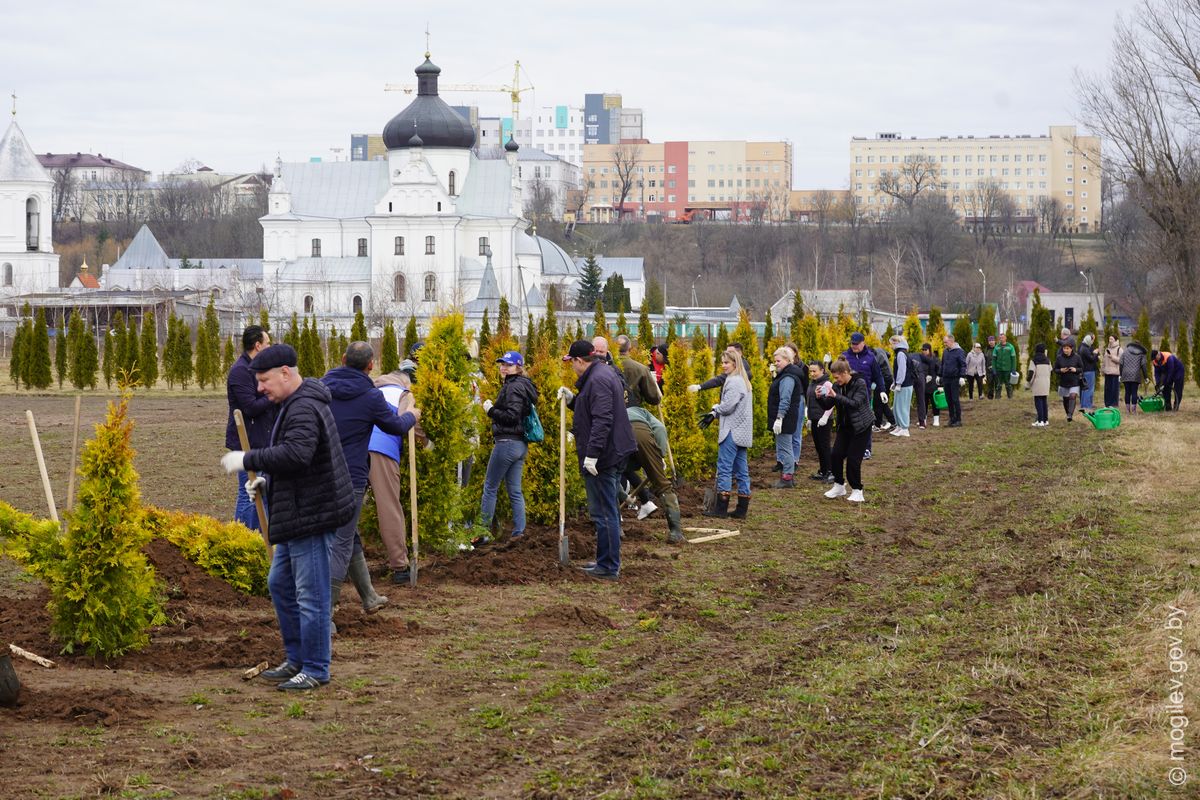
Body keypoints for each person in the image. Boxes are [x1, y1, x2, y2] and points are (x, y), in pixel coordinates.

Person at [220, 344, 356, 692]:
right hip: (299, 507)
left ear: (285, 373)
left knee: (311, 595)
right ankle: (297, 659)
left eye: (264, 380)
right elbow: (302, 458)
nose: (260, 389)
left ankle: (315, 668)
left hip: (313, 513)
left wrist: (248, 460)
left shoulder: (304, 407)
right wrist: (268, 481)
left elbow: (297, 454)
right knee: (280, 584)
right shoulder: (292, 403)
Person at [322, 342, 419, 627]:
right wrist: (413, 414)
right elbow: (396, 427)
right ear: (370, 365)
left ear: (341, 358)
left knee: (348, 535)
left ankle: (370, 597)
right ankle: (325, 612)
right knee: (341, 541)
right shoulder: (370, 397)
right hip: (350, 476)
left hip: (320, 473)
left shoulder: (320, 388)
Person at [558, 341, 637, 580]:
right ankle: (604, 561)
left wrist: (592, 454)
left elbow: (603, 419)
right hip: (609, 452)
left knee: (604, 512)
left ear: (580, 361)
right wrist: (573, 401)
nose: (571, 367)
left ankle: (609, 566)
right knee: (605, 510)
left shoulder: (598, 380)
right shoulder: (600, 374)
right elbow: (591, 410)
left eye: (571, 362)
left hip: (605, 455)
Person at [368, 360, 424, 584]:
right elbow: (408, 422)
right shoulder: (403, 393)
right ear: (406, 380)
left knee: (347, 506)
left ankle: (337, 565)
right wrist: (427, 443)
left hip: (353, 449)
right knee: (389, 507)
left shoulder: (371, 387)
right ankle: (400, 567)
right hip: (382, 449)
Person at [479, 350, 538, 538]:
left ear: (518, 367)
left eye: (508, 364)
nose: (503, 367)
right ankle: (519, 532)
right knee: (514, 490)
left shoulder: (513, 387)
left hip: (507, 443)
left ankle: (483, 532)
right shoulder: (522, 385)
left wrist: (490, 410)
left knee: (490, 487)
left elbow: (512, 416)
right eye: (502, 364)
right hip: (519, 444)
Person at [225, 325, 275, 531]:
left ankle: (260, 538)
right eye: (267, 344)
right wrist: (272, 394)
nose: (270, 347)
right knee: (248, 494)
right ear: (257, 345)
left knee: (261, 493)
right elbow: (251, 407)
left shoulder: (258, 369)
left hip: (262, 440)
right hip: (247, 442)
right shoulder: (240, 372)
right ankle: (242, 538)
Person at [704, 348, 754, 518]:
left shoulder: (734, 381)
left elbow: (728, 406)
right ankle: (741, 510)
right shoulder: (744, 380)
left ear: (734, 363)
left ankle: (721, 510)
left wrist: (714, 409)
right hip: (742, 431)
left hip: (732, 431)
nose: (723, 365)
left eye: (726, 362)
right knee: (741, 470)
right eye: (722, 362)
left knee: (724, 468)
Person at [625, 404, 685, 543]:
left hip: (619, 435)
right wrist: (660, 455)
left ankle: (615, 530)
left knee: (612, 478)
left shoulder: (613, 408)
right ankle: (675, 533)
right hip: (642, 435)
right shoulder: (642, 411)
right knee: (662, 485)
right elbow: (660, 428)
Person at [822, 358, 874, 503]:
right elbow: (827, 405)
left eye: (837, 377)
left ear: (845, 373)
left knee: (853, 459)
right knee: (836, 455)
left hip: (861, 427)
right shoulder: (836, 386)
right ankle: (839, 486)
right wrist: (820, 397)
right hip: (845, 426)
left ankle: (858, 490)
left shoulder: (860, 383)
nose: (836, 380)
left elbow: (855, 404)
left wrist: (836, 396)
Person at [841, 332, 886, 457]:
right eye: (852, 344)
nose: (854, 346)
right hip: (847, 394)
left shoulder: (870, 357)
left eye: (856, 344)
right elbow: (837, 372)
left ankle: (866, 448)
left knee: (864, 421)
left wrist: (882, 390)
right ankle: (848, 447)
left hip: (864, 395)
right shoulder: (844, 357)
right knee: (848, 421)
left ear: (863, 343)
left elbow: (878, 375)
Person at [767, 347, 806, 488]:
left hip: (785, 418)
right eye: (775, 361)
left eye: (778, 360)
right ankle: (787, 475)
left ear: (787, 360)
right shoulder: (785, 374)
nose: (776, 363)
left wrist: (779, 417)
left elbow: (785, 399)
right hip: (786, 417)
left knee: (785, 448)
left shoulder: (788, 378)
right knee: (785, 446)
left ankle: (787, 477)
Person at [806, 361, 835, 481]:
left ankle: (831, 471)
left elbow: (832, 402)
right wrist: (809, 417)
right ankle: (823, 470)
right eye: (810, 371)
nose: (812, 374)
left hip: (823, 419)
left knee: (825, 446)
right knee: (818, 446)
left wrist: (825, 417)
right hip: (814, 418)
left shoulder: (827, 383)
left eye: (814, 371)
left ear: (822, 370)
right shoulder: (812, 383)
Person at [615, 334, 661, 409]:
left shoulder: (606, 367)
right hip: (633, 414)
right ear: (630, 348)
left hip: (611, 414)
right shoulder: (641, 369)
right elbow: (654, 398)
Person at [888, 335, 914, 437]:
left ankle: (904, 428)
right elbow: (897, 370)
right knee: (896, 407)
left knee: (902, 407)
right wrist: (894, 383)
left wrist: (898, 383)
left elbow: (902, 370)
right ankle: (899, 426)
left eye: (892, 343)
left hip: (905, 385)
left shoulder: (901, 354)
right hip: (901, 384)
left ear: (897, 343)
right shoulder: (899, 353)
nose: (891, 345)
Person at [940, 334, 967, 427]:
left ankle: (958, 420)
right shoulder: (945, 351)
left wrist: (962, 376)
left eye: (946, 342)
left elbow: (963, 364)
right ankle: (952, 419)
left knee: (955, 399)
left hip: (955, 378)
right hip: (946, 378)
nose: (945, 344)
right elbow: (942, 364)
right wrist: (940, 375)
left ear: (951, 341)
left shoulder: (959, 351)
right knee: (948, 400)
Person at [1054, 340, 1083, 422]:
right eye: (1064, 348)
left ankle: (1070, 414)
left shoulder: (1077, 357)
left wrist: (1075, 369)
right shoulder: (1059, 358)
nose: (1065, 350)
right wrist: (1061, 370)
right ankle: (1068, 414)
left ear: (1071, 349)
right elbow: (1055, 369)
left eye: (1067, 348)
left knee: (1073, 396)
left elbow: (1082, 368)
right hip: (1064, 382)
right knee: (1066, 399)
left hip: (1074, 382)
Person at [871, 343, 897, 430]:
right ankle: (891, 422)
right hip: (889, 377)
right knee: (883, 402)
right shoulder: (879, 349)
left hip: (883, 379)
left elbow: (873, 370)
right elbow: (888, 354)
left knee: (877, 403)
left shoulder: (873, 358)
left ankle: (878, 425)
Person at [1120, 340, 1149, 413]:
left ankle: (1127, 410)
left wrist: (1121, 374)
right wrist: (1146, 377)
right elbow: (1144, 366)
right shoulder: (1142, 354)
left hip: (1125, 374)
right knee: (1134, 392)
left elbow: (1121, 364)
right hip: (1135, 375)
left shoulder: (1125, 351)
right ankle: (1133, 410)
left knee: (1127, 392)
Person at [1027, 343, 1051, 426]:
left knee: (1038, 402)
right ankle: (1045, 420)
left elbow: (1031, 373)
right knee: (1044, 401)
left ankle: (1040, 420)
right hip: (1046, 383)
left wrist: (1028, 384)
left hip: (1037, 383)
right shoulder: (1048, 360)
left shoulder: (1033, 360)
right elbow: (1050, 371)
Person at [990, 333, 1018, 399]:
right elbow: (994, 359)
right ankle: (997, 397)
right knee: (998, 384)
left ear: (1005, 338)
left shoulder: (1010, 347)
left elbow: (1013, 359)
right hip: (999, 369)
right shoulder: (997, 347)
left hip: (1007, 369)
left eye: (1002, 337)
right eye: (1000, 338)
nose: (1001, 339)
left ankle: (1010, 397)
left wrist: (1013, 368)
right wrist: (994, 369)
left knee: (1008, 384)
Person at [1078, 334, 1099, 412]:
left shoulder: (1082, 347)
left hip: (1084, 370)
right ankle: (1087, 405)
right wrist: (1095, 353)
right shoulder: (1085, 349)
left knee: (1085, 388)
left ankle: (1083, 404)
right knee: (1089, 388)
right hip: (1089, 370)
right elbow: (1091, 359)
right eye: (1092, 340)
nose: (1092, 342)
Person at [1102, 335, 1123, 409]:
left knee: (1114, 389)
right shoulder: (1107, 348)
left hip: (1115, 372)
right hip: (1107, 372)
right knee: (1107, 389)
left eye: (1111, 339)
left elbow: (1121, 360)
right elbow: (1104, 360)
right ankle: (1107, 404)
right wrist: (1103, 369)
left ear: (1116, 340)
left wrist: (1112, 357)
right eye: (1109, 338)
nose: (1110, 340)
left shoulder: (1119, 349)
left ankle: (1114, 404)